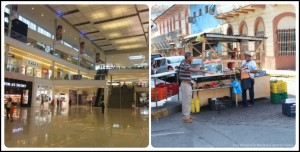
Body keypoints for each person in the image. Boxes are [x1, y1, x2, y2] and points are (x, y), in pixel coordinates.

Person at [178, 52, 208, 123]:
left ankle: (187, 115)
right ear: (188, 57)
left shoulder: (185, 62)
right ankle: (186, 117)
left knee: (188, 101)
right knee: (186, 101)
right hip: (185, 84)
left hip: (187, 83)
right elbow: (190, 69)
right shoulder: (184, 63)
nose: (192, 58)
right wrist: (201, 70)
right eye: (191, 57)